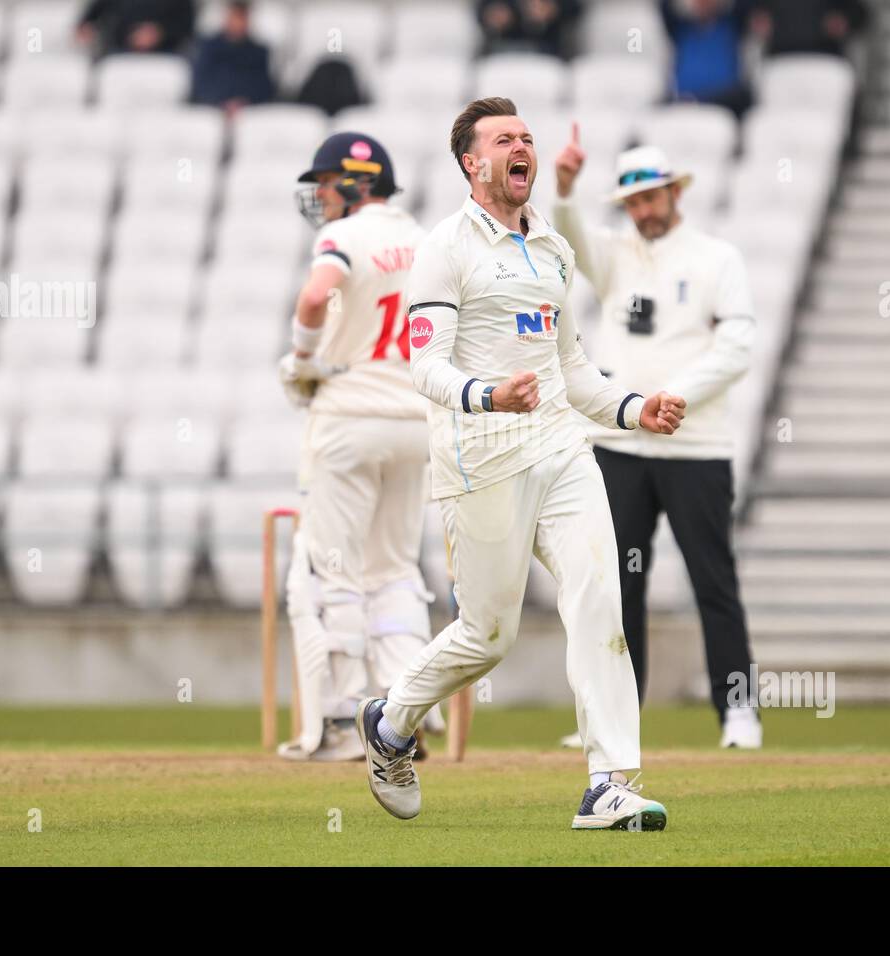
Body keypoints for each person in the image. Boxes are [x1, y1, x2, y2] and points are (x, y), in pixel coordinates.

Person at [354, 97, 687, 831]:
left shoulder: (555, 249)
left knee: (599, 599)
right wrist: (488, 396)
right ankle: (390, 722)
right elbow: (425, 366)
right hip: (481, 460)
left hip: (562, 450)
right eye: (505, 139)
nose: (521, 147)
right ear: (473, 163)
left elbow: (570, 369)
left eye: (527, 138)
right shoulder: (446, 246)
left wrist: (635, 410)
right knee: (488, 635)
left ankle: (609, 782)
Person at [551, 129, 763, 749]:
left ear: (674, 193)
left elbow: (737, 346)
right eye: (633, 203)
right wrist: (563, 185)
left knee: (712, 580)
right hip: (621, 443)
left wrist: (675, 396)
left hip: (696, 447)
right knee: (617, 584)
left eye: (652, 198)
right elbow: (568, 237)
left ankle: (739, 712)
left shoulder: (717, 258)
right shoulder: (616, 256)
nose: (644, 211)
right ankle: (618, 718)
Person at [275, 132, 442, 762]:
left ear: (354, 184)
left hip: (349, 414)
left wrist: (302, 358)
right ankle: (403, 714)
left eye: (324, 184)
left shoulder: (343, 237)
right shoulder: (427, 241)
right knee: (396, 567)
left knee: (337, 568)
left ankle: (344, 721)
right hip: (413, 418)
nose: (318, 196)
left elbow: (316, 295)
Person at [190, 1, 275, 115]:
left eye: (242, 18)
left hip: (248, 111)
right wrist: (221, 102)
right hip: (211, 108)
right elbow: (201, 82)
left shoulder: (259, 52)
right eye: (235, 17)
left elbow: (263, 86)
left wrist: (243, 102)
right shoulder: (208, 47)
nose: (238, 23)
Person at [75, 0, 196, 56]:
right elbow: (92, 15)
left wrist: (159, 33)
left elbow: (187, 26)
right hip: (119, 50)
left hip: (167, 52)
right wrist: (85, 26)